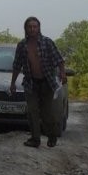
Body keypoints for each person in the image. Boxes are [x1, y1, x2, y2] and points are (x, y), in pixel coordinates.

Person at [10, 16, 67, 148]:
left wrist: (62, 74)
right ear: (26, 29)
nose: (32, 29)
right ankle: (35, 139)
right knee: (32, 111)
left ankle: (51, 136)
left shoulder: (47, 42)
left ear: (39, 28)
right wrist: (12, 83)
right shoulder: (22, 45)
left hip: (47, 83)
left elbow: (59, 60)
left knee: (47, 113)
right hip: (31, 83)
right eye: (30, 27)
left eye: (35, 26)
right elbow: (17, 65)